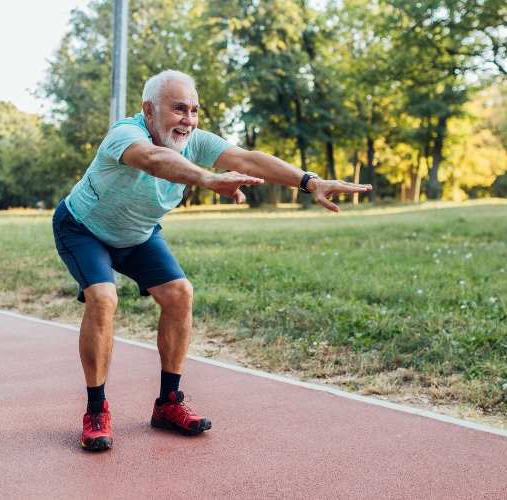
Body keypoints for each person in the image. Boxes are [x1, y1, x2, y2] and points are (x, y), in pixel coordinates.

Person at [52, 69, 371, 451]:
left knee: (180, 294)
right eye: (178, 109)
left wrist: (310, 181)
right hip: (83, 229)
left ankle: (168, 404)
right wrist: (206, 179)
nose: (188, 120)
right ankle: (96, 410)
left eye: (194, 110)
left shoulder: (195, 141)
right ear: (149, 110)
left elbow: (248, 159)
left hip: (138, 234)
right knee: (103, 298)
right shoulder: (125, 134)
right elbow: (153, 160)